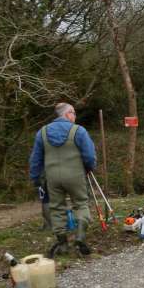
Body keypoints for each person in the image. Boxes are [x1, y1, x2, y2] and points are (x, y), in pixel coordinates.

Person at [29, 103, 97, 257]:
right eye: (73, 113)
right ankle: (79, 237)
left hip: (52, 177)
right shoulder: (78, 131)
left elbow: (35, 159)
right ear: (67, 114)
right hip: (75, 175)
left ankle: (63, 244)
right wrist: (89, 168)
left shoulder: (42, 133)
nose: (75, 116)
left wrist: (35, 178)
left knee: (57, 209)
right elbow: (90, 155)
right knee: (81, 204)